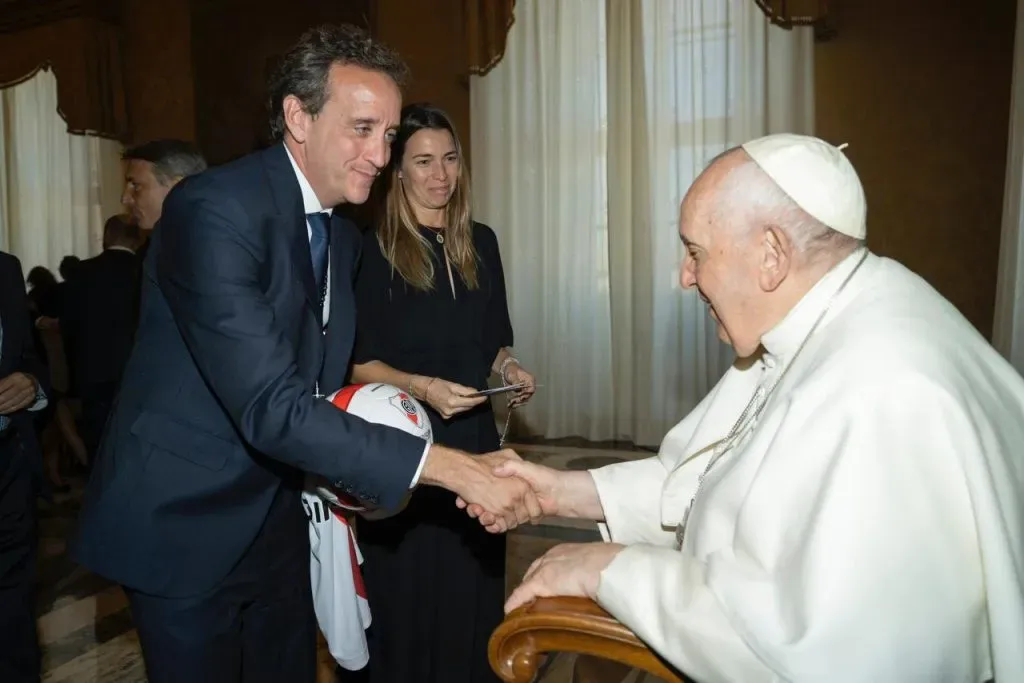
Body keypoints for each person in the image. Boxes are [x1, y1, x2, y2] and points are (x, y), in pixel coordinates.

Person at [72, 24, 539, 683]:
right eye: (363, 128)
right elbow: (272, 404)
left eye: (388, 133)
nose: (380, 154)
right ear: (298, 115)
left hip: (280, 520)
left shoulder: (342, 239)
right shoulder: (214, 211)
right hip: (182, 526)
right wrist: (453, 468)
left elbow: (325, 384)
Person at [478, 134, 1024, 682]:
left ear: (771, 256)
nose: (684, 277)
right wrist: (557, 491)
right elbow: (708, 480)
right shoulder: (819, 325)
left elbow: (813, 650)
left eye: (695, 252)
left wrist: (614, 569)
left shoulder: (887, 391)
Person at [345, 103, 537, 683]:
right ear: (396, 170)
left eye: (450, 158)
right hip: (404, 447)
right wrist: (421, 387)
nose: (440, 175)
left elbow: (492, 341)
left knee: (471, 589)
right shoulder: (368, 249)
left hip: (474, 439)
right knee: (405, 597)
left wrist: (511, 365)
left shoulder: (481, 241)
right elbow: (354, 365)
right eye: (423, 161)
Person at [0, 250, 50, 683]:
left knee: (13, 610)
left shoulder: (5, 268)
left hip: (10, 465)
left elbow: (29, 357)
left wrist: (31, 385)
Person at [60, 214, 141, 458]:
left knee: (99, 450)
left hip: (91, 374)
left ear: (106, 236)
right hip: (137, 373)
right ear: (136, 240)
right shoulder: (147, 270)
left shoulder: (81, 272)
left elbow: (69, 328)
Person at [120, 138, 208, 263]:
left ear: (178, 187)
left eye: (136, 185)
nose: (125, 199)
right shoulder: (153, 251)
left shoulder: (212, 251)